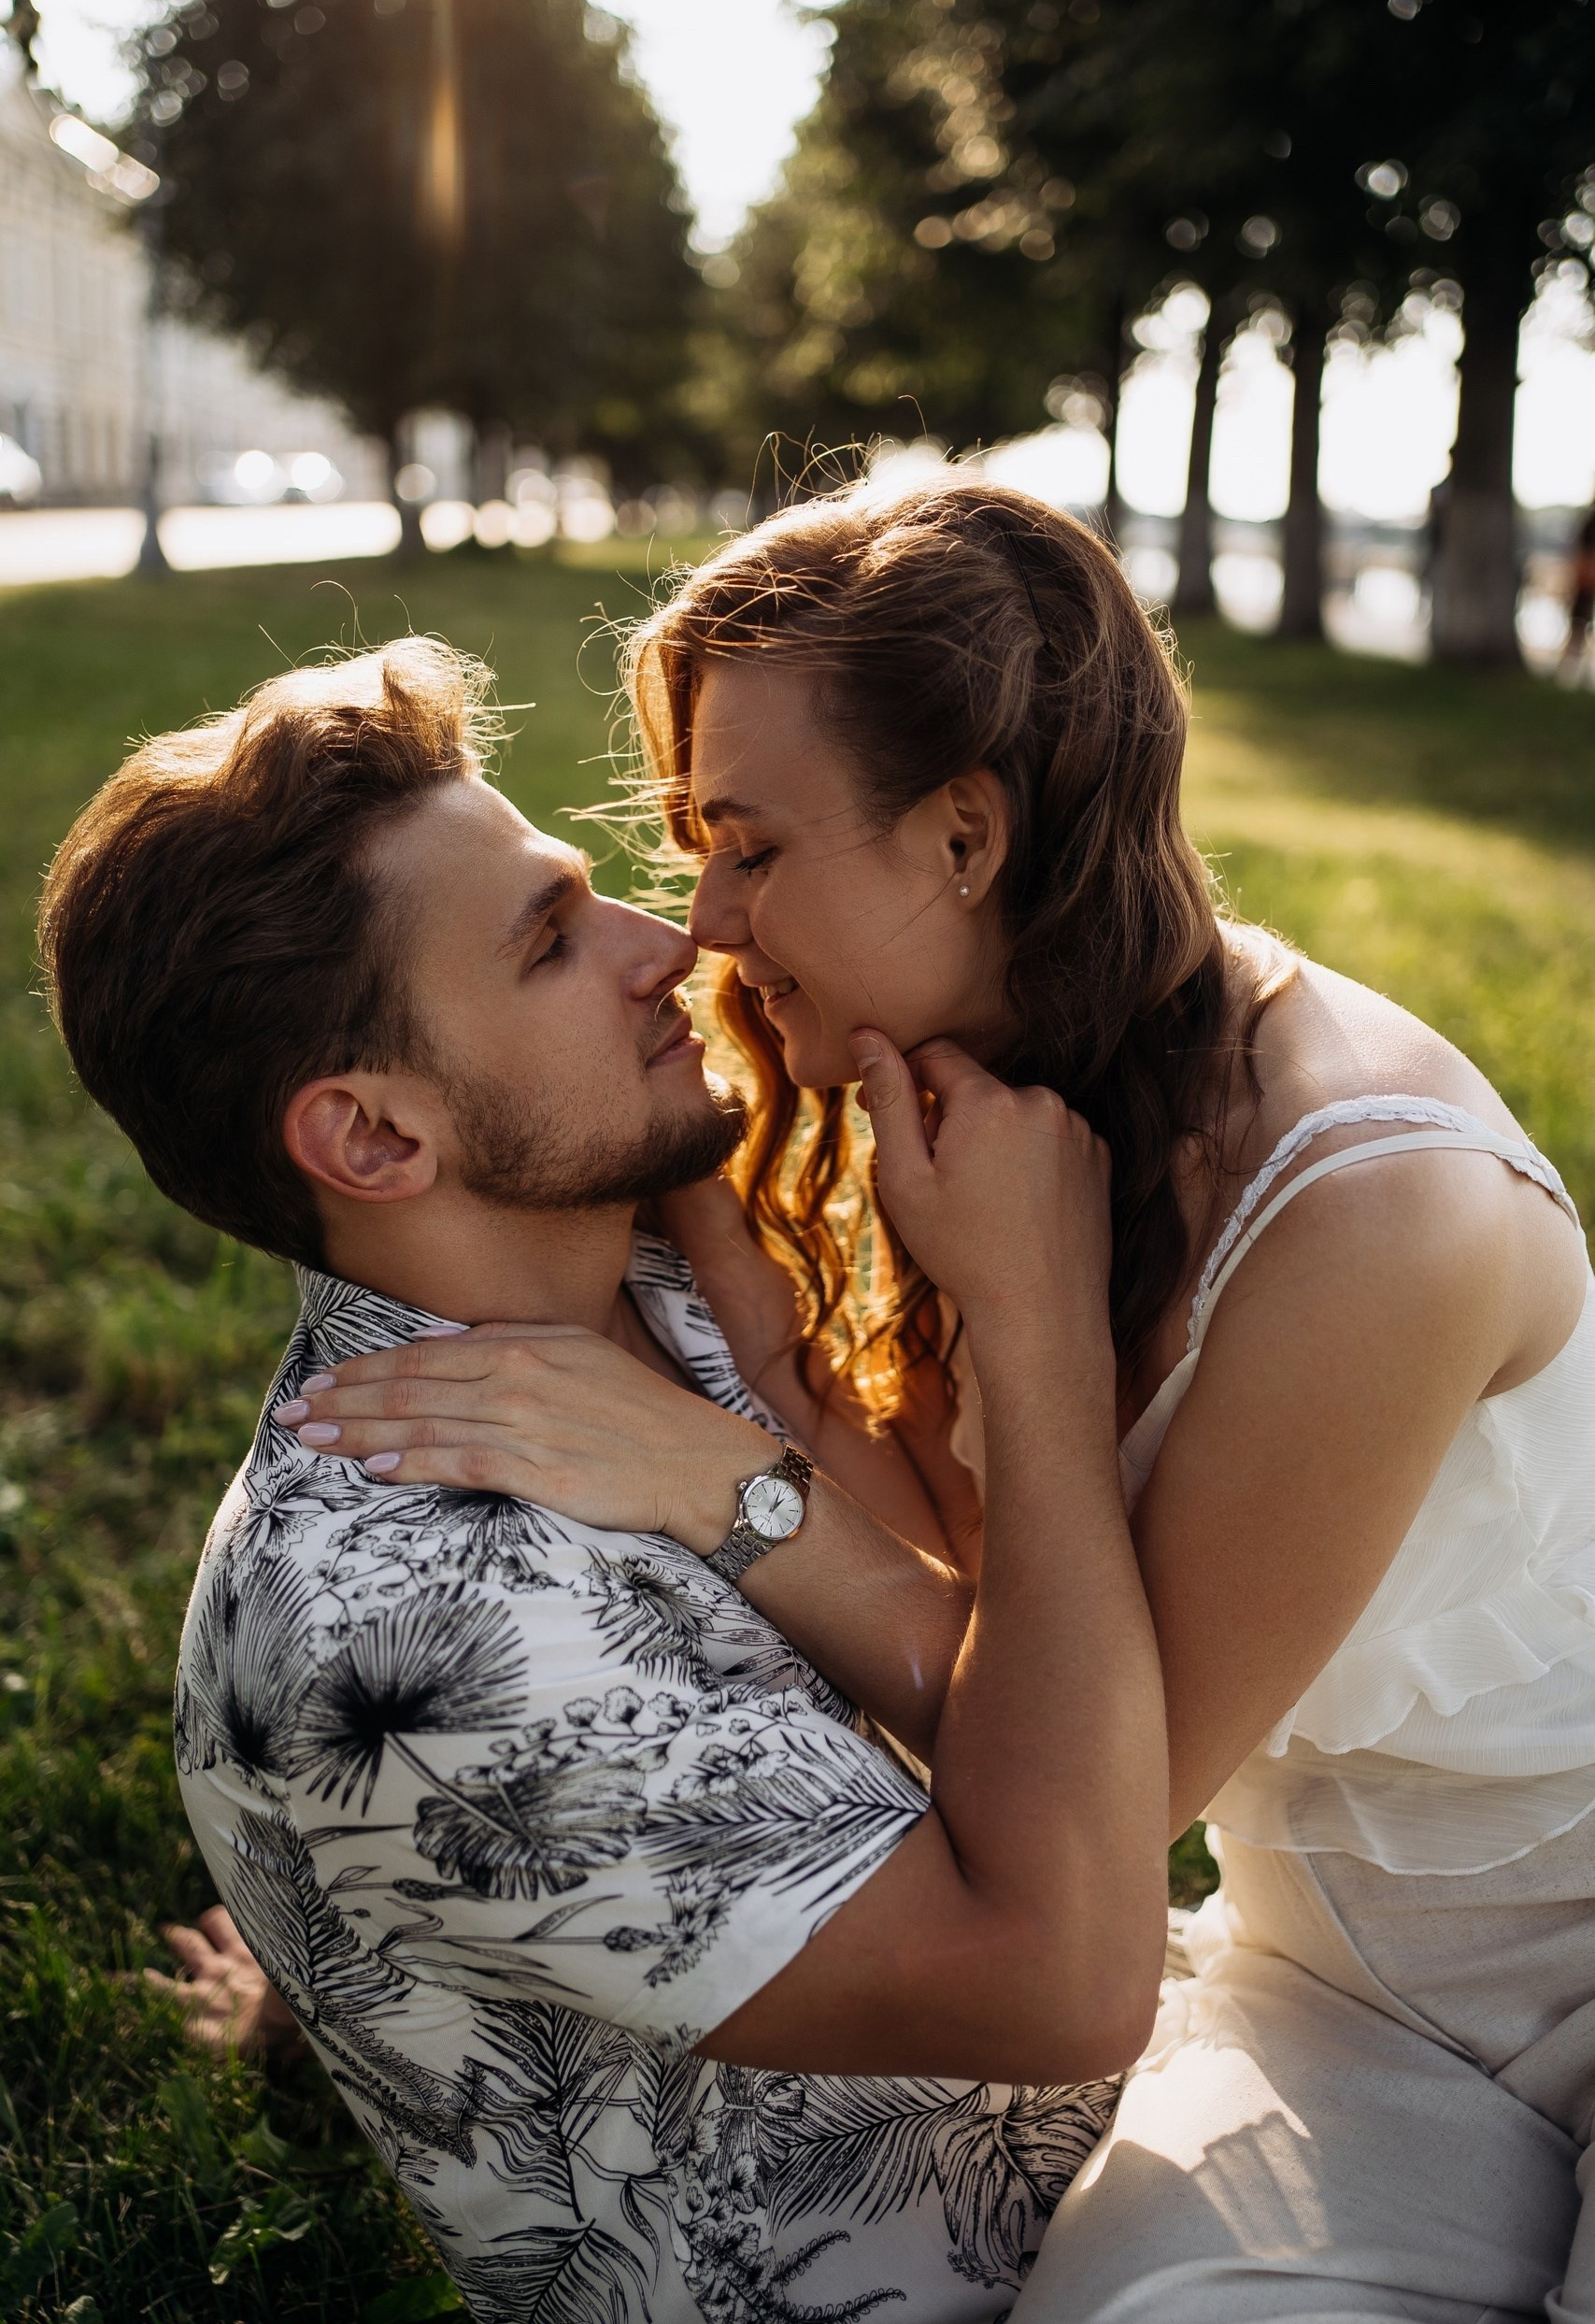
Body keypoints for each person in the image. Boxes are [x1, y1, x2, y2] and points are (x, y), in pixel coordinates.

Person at [292, 477, 1595, 2323]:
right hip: (1347, 1990)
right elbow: (984, 1585)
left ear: (964, 833)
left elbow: (1074, 1799)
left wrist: (747, 1470)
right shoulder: (1001, 1103)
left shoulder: (1367, 1213)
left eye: (746, 843)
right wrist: (746, 1296)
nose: (708, 921)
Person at [38, 635, 1167, 2323]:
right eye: (553, 940)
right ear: (374, 1141)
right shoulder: (402, 1640)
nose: (676, 943)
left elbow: (1000, 1646)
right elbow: (1070, 1976)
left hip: (1115, 2165)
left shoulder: (636, 1268)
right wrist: (1037, 1342)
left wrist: (333, 1948)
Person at [1561, 502, 1595, 684]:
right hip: (1584, 587)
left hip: (1584, 586)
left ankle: (1575, 673)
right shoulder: (1589, 523)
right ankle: (1570, 672)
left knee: (1579, 627)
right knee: (1579, 627)